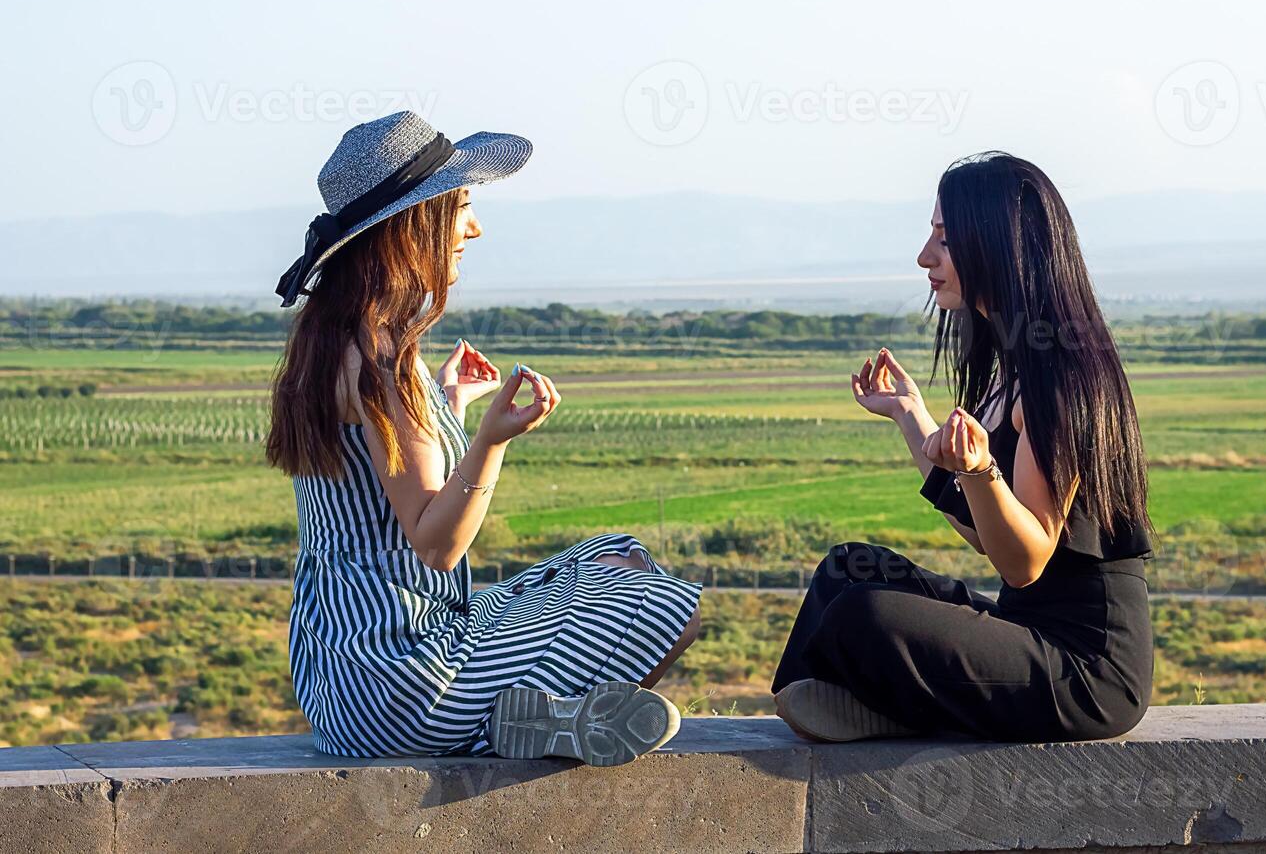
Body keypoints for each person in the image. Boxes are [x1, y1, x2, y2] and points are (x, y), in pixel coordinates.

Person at [264, 111, 701, 765]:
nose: (474, 226)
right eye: (462, 206)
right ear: (416, 226)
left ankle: (534, 722)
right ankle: (513, 729)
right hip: (403, 683)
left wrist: (446, 406)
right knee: (663, 598)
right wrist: (491, 441)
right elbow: (438, 546)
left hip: (339, 683)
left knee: (616, 553)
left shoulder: (330, 340)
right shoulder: (384, 360)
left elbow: (383, 484)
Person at [770, 151, 1156, 744]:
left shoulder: (1063, 375)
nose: (925, 256)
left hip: (1086, 670)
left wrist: (980, 471)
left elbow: (1024, 564)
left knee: (864, 616)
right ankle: (821, 707)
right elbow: (986, 534)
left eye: (945, 240)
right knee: (845, 571)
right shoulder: (1013, 366)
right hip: (1026, 633)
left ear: (999, 245)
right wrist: (911, 415)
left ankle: (867, 706)